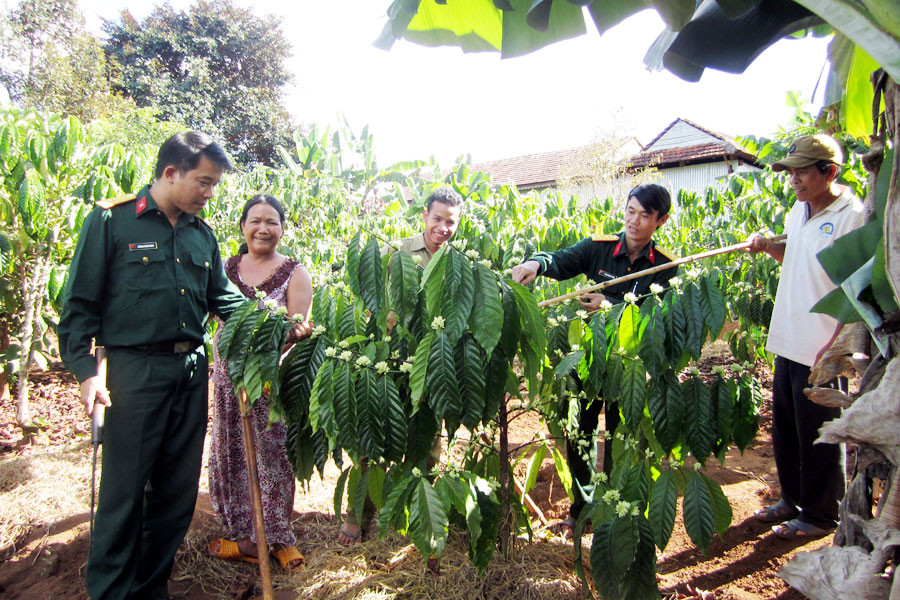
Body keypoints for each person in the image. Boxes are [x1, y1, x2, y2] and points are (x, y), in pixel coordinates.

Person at [58, 131, 249, 600]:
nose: (210, 193)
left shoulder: (201, 234)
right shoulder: (112, 221)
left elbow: (225, 299)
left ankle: (150, 588)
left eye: (214, 184)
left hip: (189, 375)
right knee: (124, 496)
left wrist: (278, 324)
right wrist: (85, 373)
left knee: (175, 494)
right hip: (133, 374)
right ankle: (110, 591)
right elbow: (79, 306)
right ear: (170, 173)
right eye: (204, 182)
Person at [511, 183, 677, 536]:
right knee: (581, 435)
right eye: (630, 211)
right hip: (590, 361)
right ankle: (581, 509)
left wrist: (612, 307)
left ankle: (615, 513)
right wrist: (535, 264)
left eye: (645, 215)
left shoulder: (665, 266)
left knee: (620, 438)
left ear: (660, 220)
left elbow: (660, 324)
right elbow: (560, 259)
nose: (634, 221)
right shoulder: (598, 248)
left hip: (629, 368)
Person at [746, 134, 863, 539]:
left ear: (829, 172)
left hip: (823, 345)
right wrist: (768, 248)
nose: (792, 179)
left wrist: (840, 345)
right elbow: (795, 259)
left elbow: (855, 286)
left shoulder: (853, 216)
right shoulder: (799, 211)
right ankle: (791, 500)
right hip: (788, 337)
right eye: (790, 171)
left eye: (801, 172)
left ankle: (818, 515)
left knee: (820, 433)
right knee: (788, 430)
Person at [337, 186, 463, 546]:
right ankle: (358, 515)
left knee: (427, 438)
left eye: (450, 222)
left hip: (433, 360)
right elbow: (373, 296)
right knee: (372, 432)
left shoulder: (458, 261)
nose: (443, 227)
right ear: (424, 215)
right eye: (437, 218)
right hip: (390, 357)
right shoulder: (398, 252)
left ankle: (418, 512)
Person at [207, 195, 313, 571]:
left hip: (270, 384)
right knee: (232, 454)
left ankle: (278, 537)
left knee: (273, 458)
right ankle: (244, 538)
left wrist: (280, 340)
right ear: (243, 226)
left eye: (272, 221)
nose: (263, 229)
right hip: (227, 383)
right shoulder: (222, 269)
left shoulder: (294, 272)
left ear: (282, 229)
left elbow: (297, 325)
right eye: (255, 221)